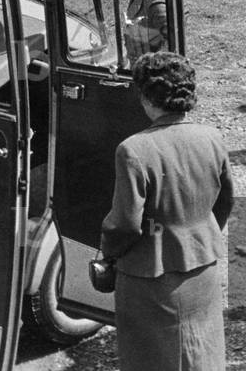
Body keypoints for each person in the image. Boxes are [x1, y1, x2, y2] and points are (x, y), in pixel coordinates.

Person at [100, 52, 233, 371]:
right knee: (201, 355)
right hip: (202, 268)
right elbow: (225, 201)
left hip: (150, 276)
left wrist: (108, 254)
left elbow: (125, 224)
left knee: (152, 360)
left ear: (146, 97)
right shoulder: (213, 138)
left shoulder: (134, 149)